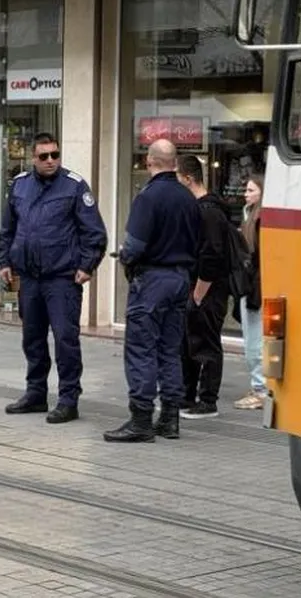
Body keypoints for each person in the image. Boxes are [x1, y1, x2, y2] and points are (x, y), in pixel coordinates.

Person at [0, 133, 108, 424]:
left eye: (55, 155)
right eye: (44, 156)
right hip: (29, 278)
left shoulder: (74, 186)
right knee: (32, 338)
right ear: (33, 157)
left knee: (65, 340)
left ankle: (68, 399)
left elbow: (94, 232)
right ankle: (35, 393)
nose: (50, 161)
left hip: (62, 279)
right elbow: (7, 228)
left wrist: (88, 266)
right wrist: (4, 260)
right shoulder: (20, 185)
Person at [104, 139, 201, 443]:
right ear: (174, 163)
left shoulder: (148, 197)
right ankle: (170, 418)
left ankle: (141, 419)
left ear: (150, 162)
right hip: (180, 279)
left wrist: (125, 257)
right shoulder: (188, 198)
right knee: (170, 349)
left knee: (141, 348)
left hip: (152, 280)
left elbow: (134, 246)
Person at [176, 155, 235, 420]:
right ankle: (187, 395)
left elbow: (212, 255)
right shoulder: (200, 208)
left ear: (188, 179)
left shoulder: (209, 212)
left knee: (207, 343)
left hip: (208, 288)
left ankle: (207, 400)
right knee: (189, 342)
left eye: (177, 178)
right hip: (196, 286)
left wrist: (199, 293)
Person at [235, 174, 266, 410]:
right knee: (254, 338)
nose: (246, 194)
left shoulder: (258, 219)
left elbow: (255, 256)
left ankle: (260, 388)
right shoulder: (250, 216)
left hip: (254, 286)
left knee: (254, 340)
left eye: (251, 190)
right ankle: (260, 386)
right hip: (252, 284)